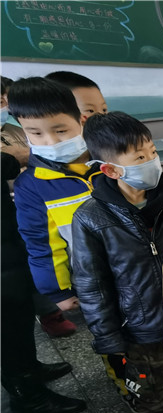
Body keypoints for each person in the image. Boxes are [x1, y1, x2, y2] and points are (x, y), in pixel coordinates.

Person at [71, 112, 163, 413]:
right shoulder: (91, 218)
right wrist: (108, 338)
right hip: (140, 325)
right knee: (152, 383)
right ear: (111, 170)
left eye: (152, 152)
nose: (152, 161)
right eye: (140, 157)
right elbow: (92, 284)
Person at [1, 150, 86, 413]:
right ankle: (28, 396)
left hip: (7, 240)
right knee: (8, 323)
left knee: (20, 311)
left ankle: (29, 369)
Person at [8, 77, 101, 314]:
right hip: (91, 283)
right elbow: (41, 243)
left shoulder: (107, 163)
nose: (50, 141)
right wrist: (58, 291)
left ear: (81, 120)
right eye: (36, 133)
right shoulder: (32, 186)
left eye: (60, 131)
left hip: (136, 270)